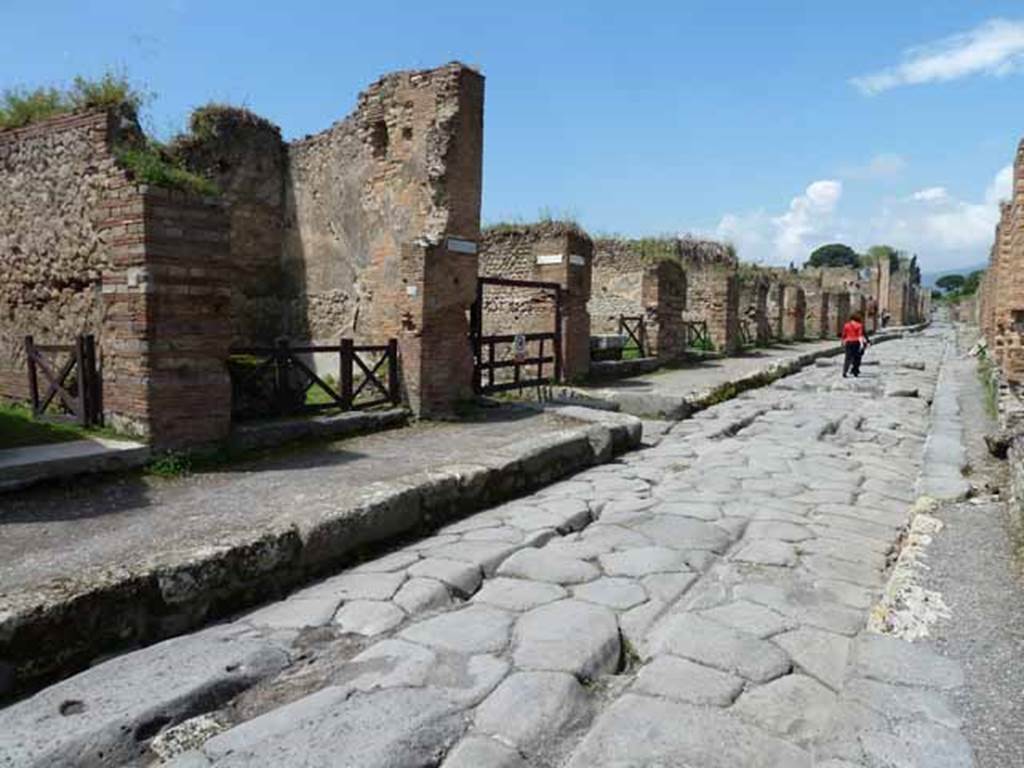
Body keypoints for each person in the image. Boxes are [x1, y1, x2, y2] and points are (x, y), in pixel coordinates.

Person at [841, 312, 867, 378]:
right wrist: (861, 344)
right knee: (856, 357)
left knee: (847, 358)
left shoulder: (846, 325)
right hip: (856, 342)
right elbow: (860, 335)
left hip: (848, 342)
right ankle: (855, 371)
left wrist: (843, 342)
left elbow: (844, 335)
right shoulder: (859, 325)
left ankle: (844, 371)